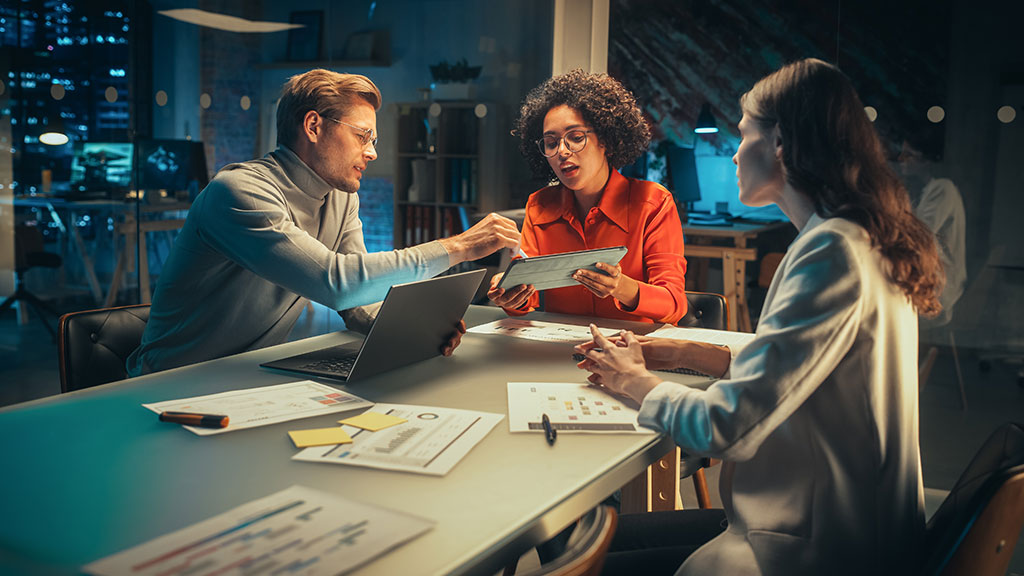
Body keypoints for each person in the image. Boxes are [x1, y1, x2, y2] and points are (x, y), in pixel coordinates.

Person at [576, 58, 943, 575]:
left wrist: (633, 380)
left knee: (585, 555)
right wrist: (677, 349)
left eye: (743, 135)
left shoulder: (832, 251)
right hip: (841, 525)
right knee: (604, 543)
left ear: (781, 145)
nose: (731, 155)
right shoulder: (859, 235)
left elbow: (726, 427)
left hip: (822, 547)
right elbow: (797, 362)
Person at [127, 70, 520, 376]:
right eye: (363, 136)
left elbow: (356, 302)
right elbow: (336, 282)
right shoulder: (238, 192)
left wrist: (412, 331)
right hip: (171, 384)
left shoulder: (341, 195)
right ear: (313, 127)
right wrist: (457, 247)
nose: (371, 153)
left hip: (249, 378)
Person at [487, 69, 688, 324]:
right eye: (551, 142)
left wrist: (620, 287)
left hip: (633, 354)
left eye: (576, 138)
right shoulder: (539, 206)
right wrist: (510, 293)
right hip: (562, 352)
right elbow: (527, 298)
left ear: (605, 139)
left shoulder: (653, 203)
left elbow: (674, 304)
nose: (562, 151)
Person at [897, 135, 966, 329]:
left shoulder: (943, 189)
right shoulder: (928, 191)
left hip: (941, 287)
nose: (901, 159)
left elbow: (918, 235)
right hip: (932, 278)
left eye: (909, 155)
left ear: (926, 160)